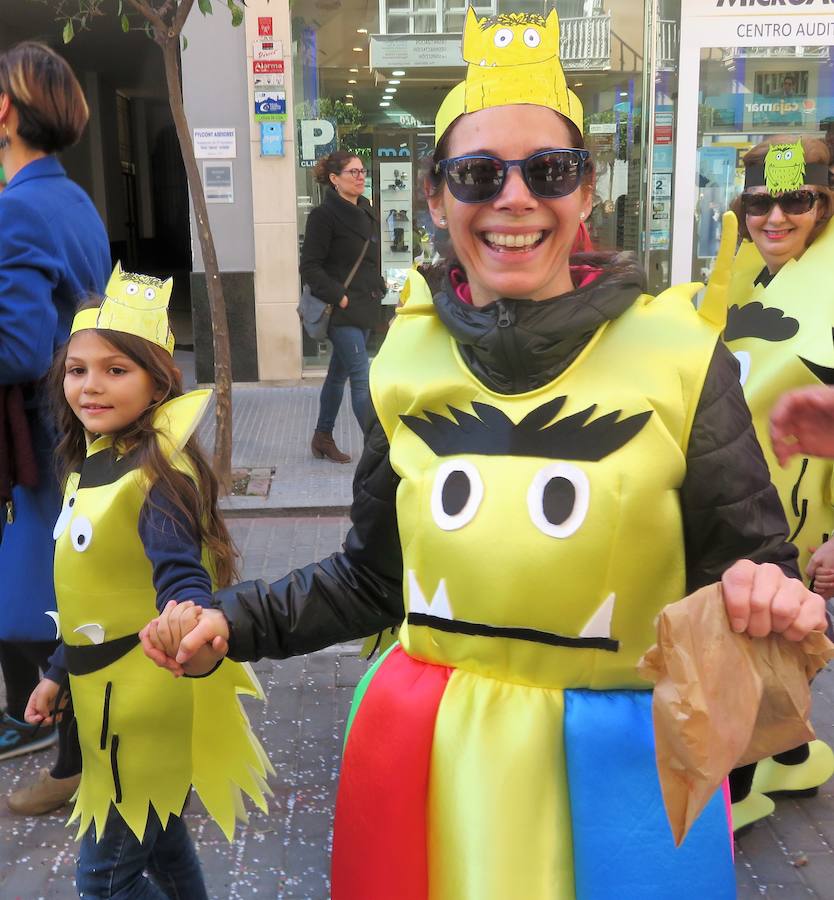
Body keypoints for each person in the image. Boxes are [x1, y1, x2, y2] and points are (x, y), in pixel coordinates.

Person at [143, 11, 825, 899]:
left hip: (621, 777)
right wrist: (231, 622)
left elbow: (750, 571)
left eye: (550, 170)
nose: (514, 198)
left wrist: (768, 599)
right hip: (437, 771)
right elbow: (374, 580)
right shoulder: (406, 360)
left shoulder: (682, 358)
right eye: (477, 173)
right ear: (436, 198)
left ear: (586, 193)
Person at [25, 272, 272, 897]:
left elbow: (179, 576)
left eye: (115, 370)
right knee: (158, 838)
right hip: (102, 696)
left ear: (158, 380)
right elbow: (94, 600)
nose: (91, 386)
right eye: (77, 370)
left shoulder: (156, 475)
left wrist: (187, 611)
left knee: (104, 881)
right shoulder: (92, 460)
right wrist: (59, 669)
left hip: (140, 709)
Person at [705, 135, 834, 830]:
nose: (776, 216)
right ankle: (791, 757)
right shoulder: (748, 268)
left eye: (797, 200)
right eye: (760, 201)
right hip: (744, 501)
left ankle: (742, 783)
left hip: (804, 519)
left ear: (824, 201)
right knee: (769, 643)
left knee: (760, 645)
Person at [0, 41, 110, 814]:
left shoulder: (17, 207)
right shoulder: (72, 197)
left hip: (40, 437)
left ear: (5, 110)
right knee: (61, 593)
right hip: (77, 425)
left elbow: (19, 345)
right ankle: (72, 745)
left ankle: (76, 760)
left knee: (43, 599)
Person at [301, 150, 386, 463]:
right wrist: (340, 296)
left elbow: (367, 258)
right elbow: (309, 267)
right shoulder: (323, 217)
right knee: (362, 378)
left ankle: (322, 437)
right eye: (353, 172)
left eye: (362, 171)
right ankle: (379, 451)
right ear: (334, 179)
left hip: (365, 305)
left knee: (337, 376)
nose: (360, 176)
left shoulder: (367, 210)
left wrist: (379, 285)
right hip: (341, 310)